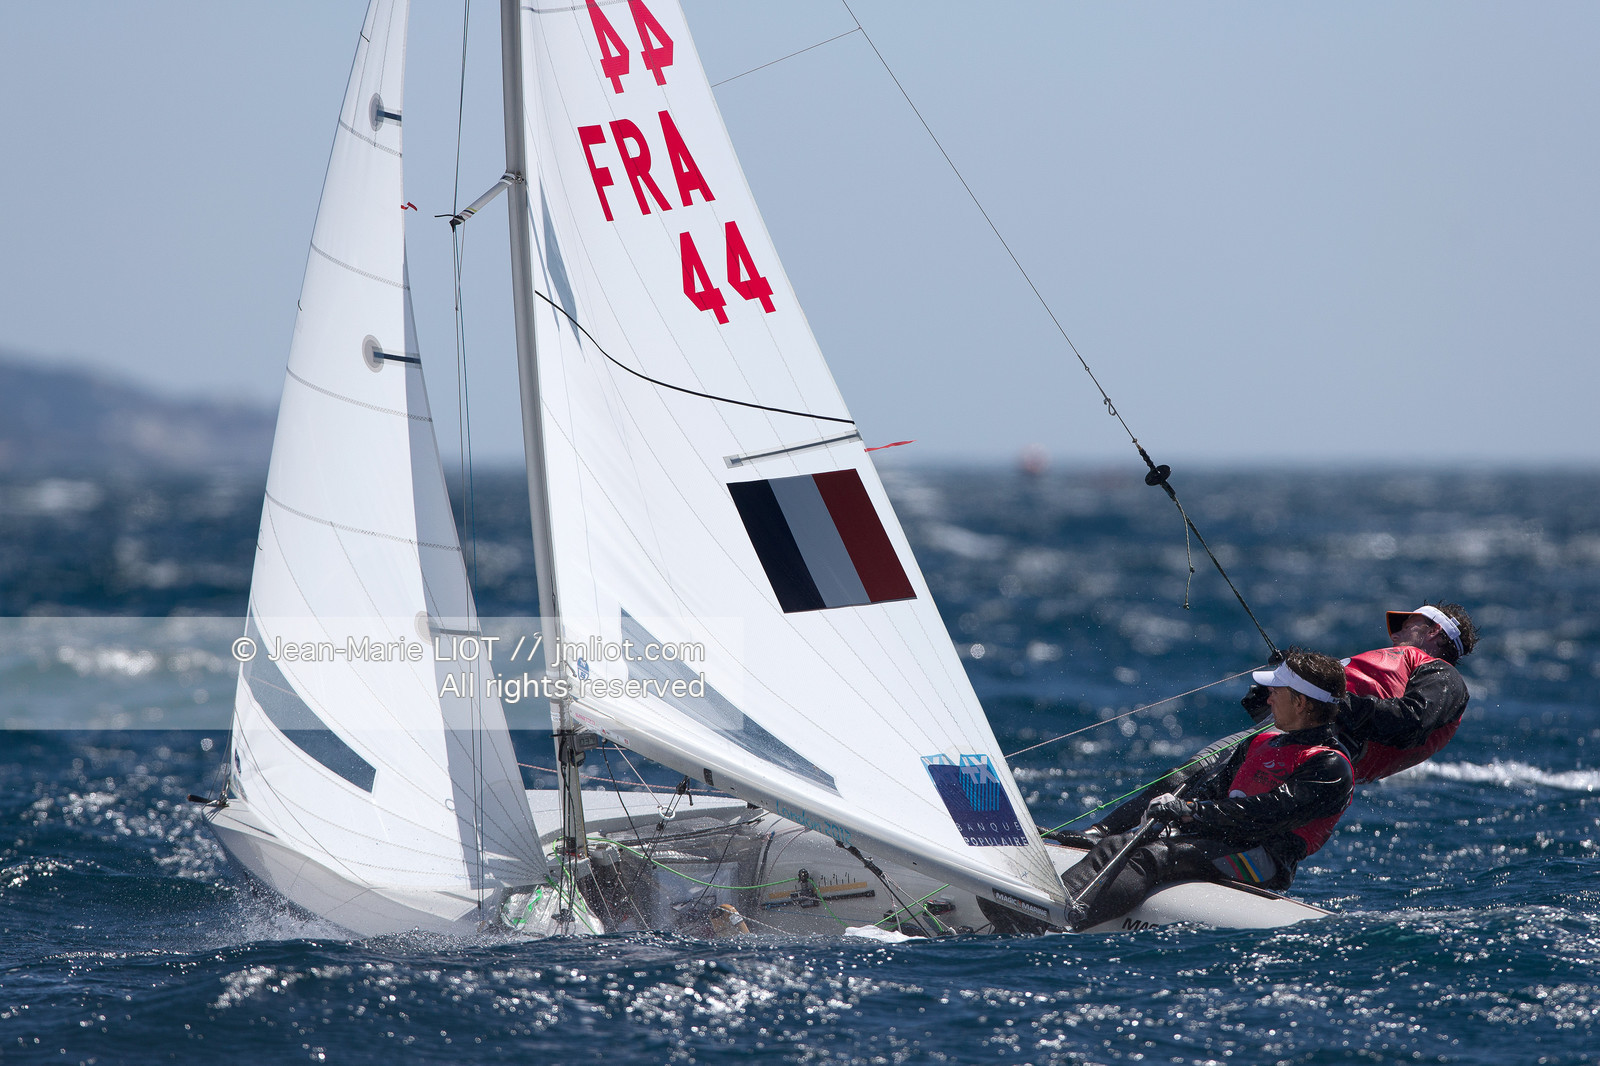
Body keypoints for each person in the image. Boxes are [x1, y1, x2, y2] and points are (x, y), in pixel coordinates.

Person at [1058, 648, 1353, 932]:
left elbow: (1266, 813)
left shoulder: (1329, 765)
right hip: (1220, 837)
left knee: (1153, 856)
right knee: (1119, 843)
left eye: (1277, 690)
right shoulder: (1260, 742)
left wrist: (1192, 812)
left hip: (1263, 858)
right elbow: (1213, 791)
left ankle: (1066, 920)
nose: (1269, 697)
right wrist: (1177, 808)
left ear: (1301, 703)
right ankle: (1051, 902)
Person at [1243, 602, 1478, 783]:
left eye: (1406, 627)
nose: (1394, 636)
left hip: (1319, 744)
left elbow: (1411, 722)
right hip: (1293, 735)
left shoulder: (1445, 677)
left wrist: (1328, 701)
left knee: (1218, 772)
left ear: (1434, 630)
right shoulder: (1401, 668)